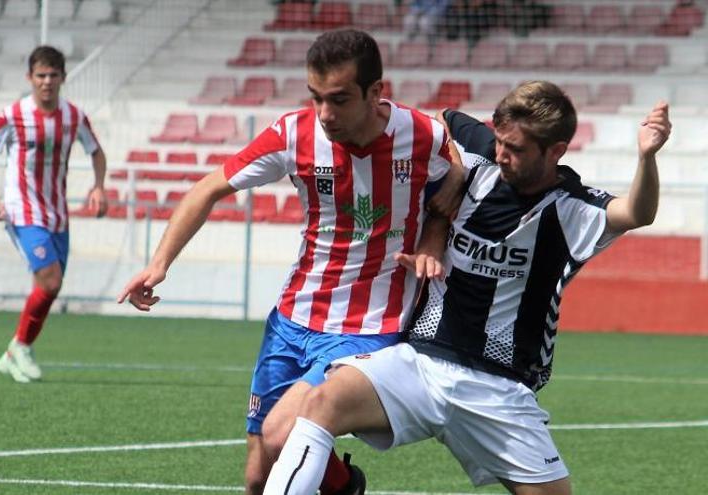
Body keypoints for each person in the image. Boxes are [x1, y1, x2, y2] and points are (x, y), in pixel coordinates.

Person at [264, 81, 671, 495]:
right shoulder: (482, 153)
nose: (501, 155)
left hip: (499, 389)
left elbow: (637, 212)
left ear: (556, 151)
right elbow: (437, 121)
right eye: (498, 141)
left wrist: (647, 157)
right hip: (422, 363)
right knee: (320, 405)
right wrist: (453, 184)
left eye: (515, 149)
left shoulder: (572, 208)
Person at [119, 28, 459, 495]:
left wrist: (434, 243)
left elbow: (455, 185)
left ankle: (343, 487)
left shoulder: (423, 137)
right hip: (291, 320)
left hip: (367, 328)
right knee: (258, 478)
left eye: (338, 99)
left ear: (375, 92)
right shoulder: (293, 133)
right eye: (316, 98)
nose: (324, 114)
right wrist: (160, 264)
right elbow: (209, 187)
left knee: (284, 435)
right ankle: (343, 487)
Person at [0, 45, 108, 384]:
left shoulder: (74, 116)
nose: (47, 81)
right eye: (41, 75)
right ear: (29, 78)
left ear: (63, 78)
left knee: (50, 286)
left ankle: (13, 352)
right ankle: (21, 346)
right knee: (50, 280)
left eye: (53, 75)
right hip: (22, 211)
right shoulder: (12, 115)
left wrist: (98, 187)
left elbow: (96, 151)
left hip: (57, 213)